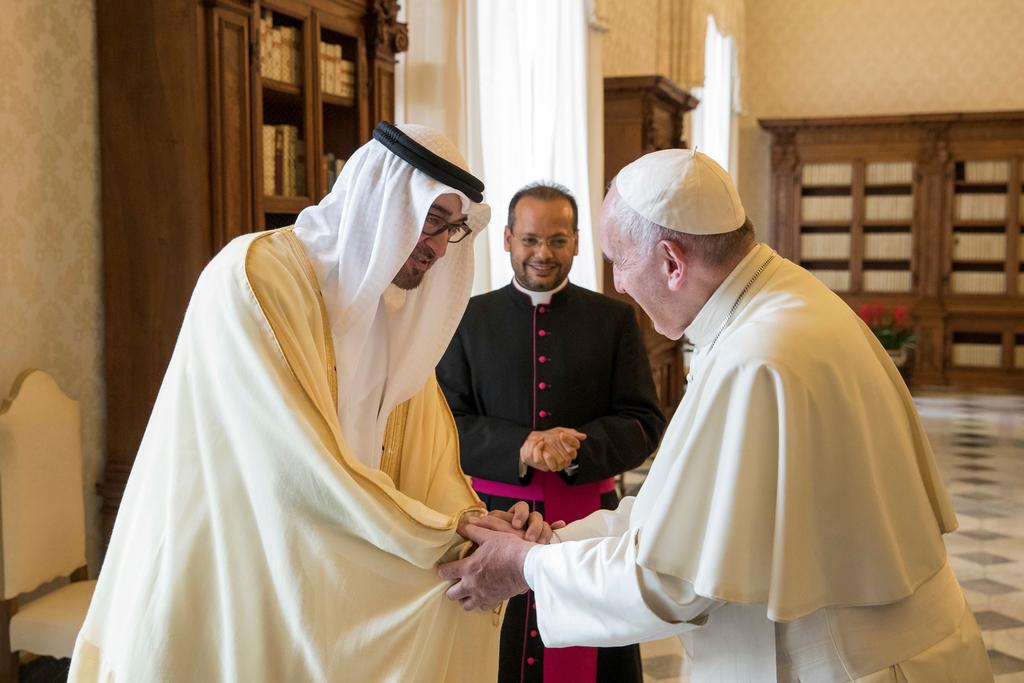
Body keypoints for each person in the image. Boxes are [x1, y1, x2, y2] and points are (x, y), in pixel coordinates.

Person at [439, 149, 994, 682]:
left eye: (621, 262)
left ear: (672, 262)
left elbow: (672, 582)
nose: (620, 285)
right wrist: (555, 542)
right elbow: (697, 516)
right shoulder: (783, 303)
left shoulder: (755, 357)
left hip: (852, 664)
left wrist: (525, 567)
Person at [70, 122, 537, 682]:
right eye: (432, 218)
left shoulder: (394, 318)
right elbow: (299, 463)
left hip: (333, 562)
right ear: (378, 199)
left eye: (453, 228)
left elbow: (427, 455)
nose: (438, 246)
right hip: (231, 564)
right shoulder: (253, 278)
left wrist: (473, 523)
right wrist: (443, 536)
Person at [437, 182, 665, 683]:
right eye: (530, 239)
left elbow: (643, 423)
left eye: (557, 240)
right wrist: (521, 446)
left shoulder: (614, 319)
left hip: (587, 521)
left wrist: (576, 449)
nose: (543, 253)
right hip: (495, 521)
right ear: (507, 239)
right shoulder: (468, 319)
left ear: (578, 242)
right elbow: (447, 424)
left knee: (594, 653)